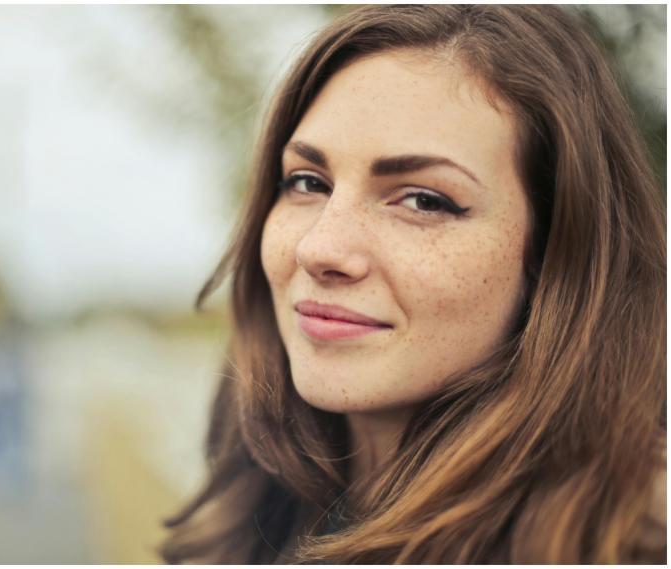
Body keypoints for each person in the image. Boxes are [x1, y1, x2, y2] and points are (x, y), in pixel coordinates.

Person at [161, 5, 666, 564]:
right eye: (307, 182)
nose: (319, 249)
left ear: (555, 257)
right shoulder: (253, 516)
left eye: (423, 200)